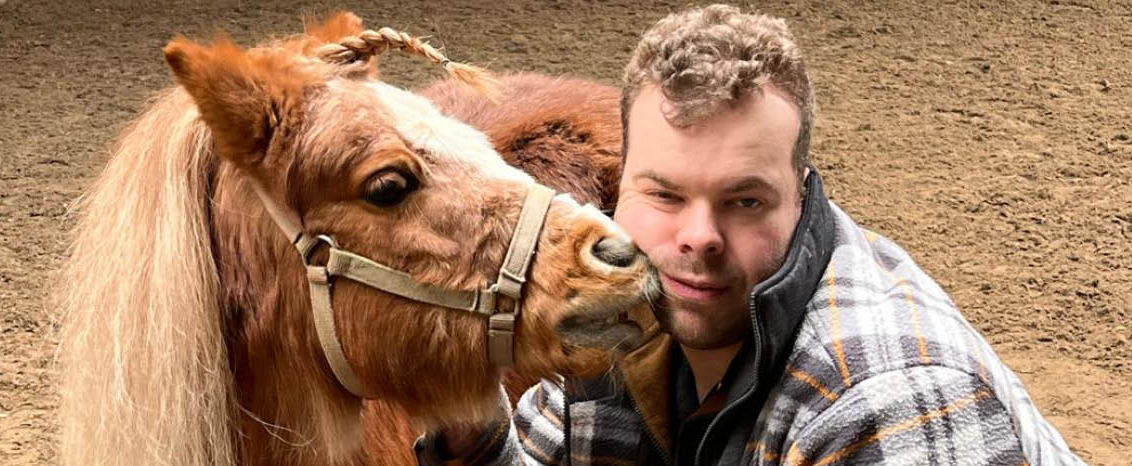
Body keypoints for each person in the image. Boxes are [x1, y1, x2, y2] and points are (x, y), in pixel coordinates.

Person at [414, 4, 1086, 466]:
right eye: (664, 194)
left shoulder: (896, 405)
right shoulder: (630, 305)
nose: (698, 237)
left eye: (743, 200)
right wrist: (467, 405)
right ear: (623, 187)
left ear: (802, 194)